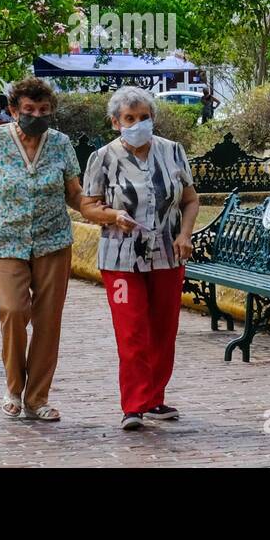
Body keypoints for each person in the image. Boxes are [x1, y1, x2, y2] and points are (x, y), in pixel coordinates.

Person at [0, 78, 83, 422]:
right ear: (13, 111)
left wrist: (100, 209)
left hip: (52, 240)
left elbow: (74, 193)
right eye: (29, 110)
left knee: (47, 321)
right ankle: (14, 386)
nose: (37, 115)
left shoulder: (61, 144)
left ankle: (37, 397)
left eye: (43, 110)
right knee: (12, 311)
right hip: (5, 239)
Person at [80, 86, 200, 430]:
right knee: (132, 330)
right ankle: (133, 405)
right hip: (121, 258)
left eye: (144, 117)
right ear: (116, 122)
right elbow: (89, 204)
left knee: (163, 330)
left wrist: (185, 234)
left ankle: (154, 398)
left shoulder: (173, 151)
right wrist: (112, 216)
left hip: (167, 253)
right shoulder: (102, 157)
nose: (137, 124)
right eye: (129, 118)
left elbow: (190, 200)